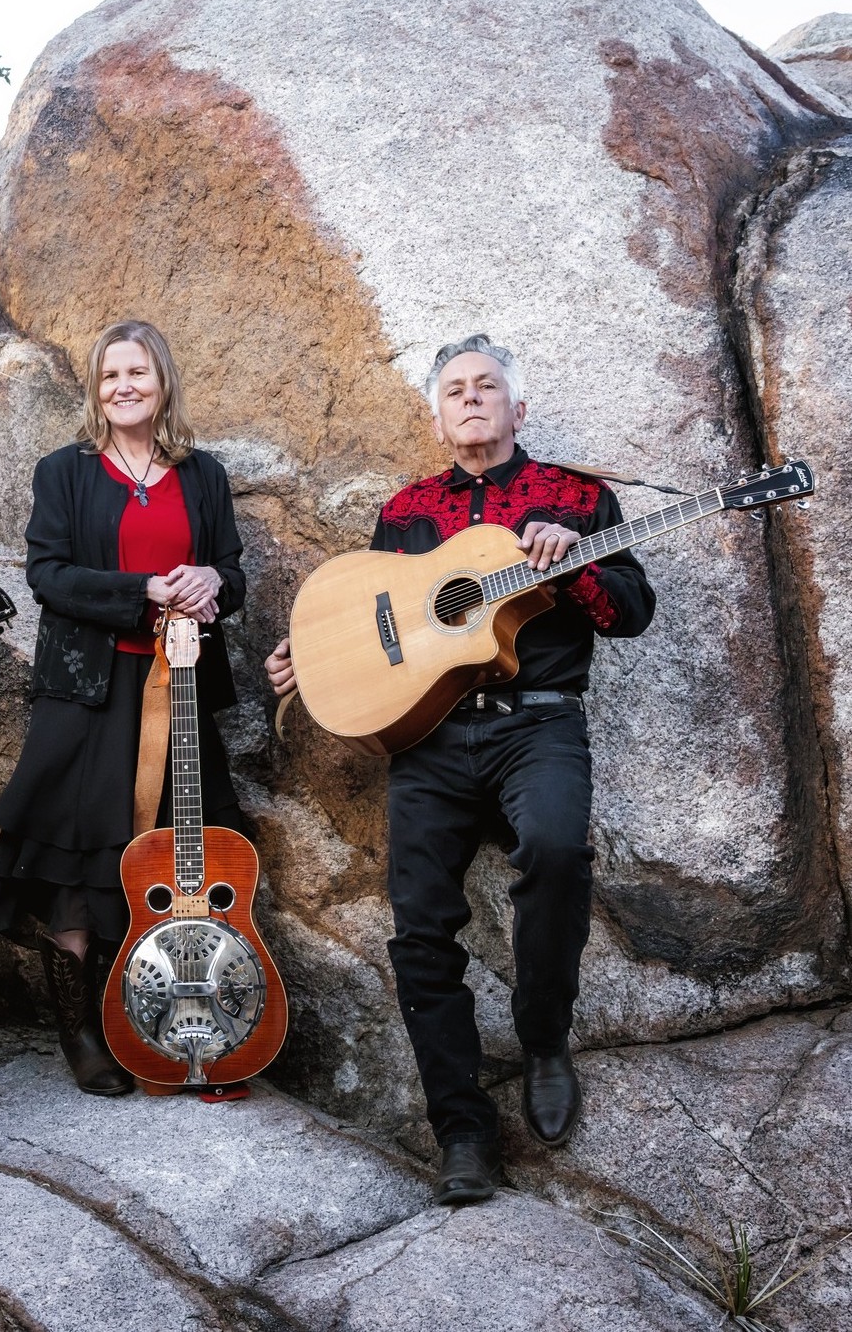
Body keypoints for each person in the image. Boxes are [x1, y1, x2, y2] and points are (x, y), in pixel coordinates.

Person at [266, 334, 656, 1204]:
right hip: (431, 741)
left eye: (487, 386)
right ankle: (461, 1129)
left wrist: (574, 563)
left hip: (538, 724)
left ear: (519, 406)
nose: (471, 398)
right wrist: (314, 659)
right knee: (417, 928)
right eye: (455, 390)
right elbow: (371, 614)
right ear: (438, 418)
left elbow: (632, 610)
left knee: (554, 850)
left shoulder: (577, 498)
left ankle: (543, 1039)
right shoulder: (406, 509)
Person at [0, 319, 247, 1094]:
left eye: (137, 372)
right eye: (110, 375)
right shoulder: (65, 471)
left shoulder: (204, 474)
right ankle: (81, 1032)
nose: (123, 386)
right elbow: (47, 575)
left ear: (162, 383)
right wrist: (144, 589)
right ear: (95, 388)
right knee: (78, 861)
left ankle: (172, 1023)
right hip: (87, 690)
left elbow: (231, 573)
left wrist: (212, 581)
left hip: (179, 687)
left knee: (184, 854)